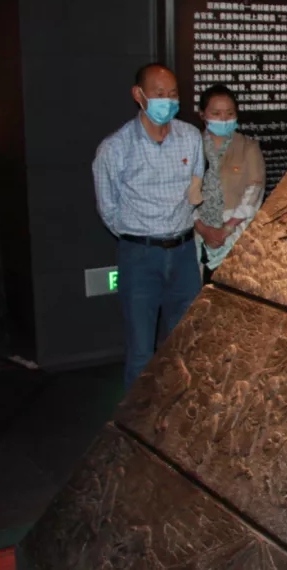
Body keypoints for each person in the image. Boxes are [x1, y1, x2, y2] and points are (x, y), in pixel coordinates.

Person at [92, 64, 204, 388]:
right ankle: (139, 417)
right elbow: (108, 209)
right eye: (159, 94)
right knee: (141, 349)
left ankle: (178, 412)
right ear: (138, 95)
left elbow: (195, 190)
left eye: (173, 94)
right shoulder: (115, 148)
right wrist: (140, 235)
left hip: (183, 253)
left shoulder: (190, 137)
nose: (167, 101)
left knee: (185, 344)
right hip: (140, 256)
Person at [193, 85, 266, 284]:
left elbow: (255, 190)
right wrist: (203, 228)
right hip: (197, 233)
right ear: (202, 114)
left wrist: (226, 229)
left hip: (236, 234)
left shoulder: (248, 147)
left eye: (229, 113)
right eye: (216, 113)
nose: (224, 119)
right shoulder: (191, 146)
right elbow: (184, 191)